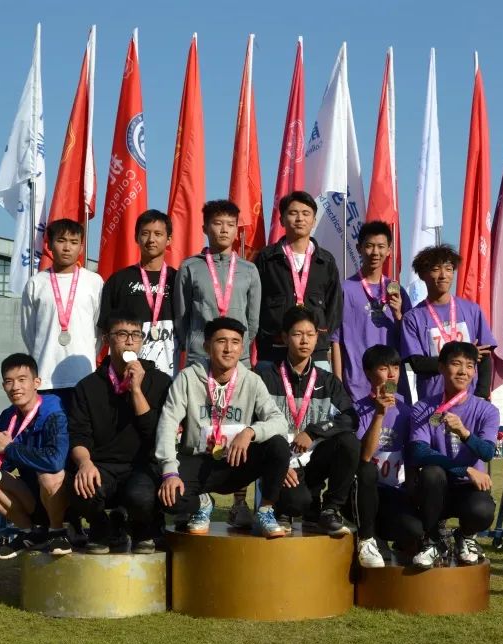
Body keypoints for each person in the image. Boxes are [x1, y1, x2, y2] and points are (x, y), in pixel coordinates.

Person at [155, 317, 298, 538]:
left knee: (278, 444)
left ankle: (265, 510)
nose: (228, 349)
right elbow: (168, 423)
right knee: (168, 497)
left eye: (235, 342)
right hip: (200, 461)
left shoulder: (251, 380)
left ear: (242, 348)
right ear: (207, 346)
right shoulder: (187, 378)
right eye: (221, 341)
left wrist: (250, 432)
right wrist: (169, 471)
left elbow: (279, 421)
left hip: (237, 462)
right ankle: (203, 503)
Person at [175, 200, 262, 528]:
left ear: (236, 229)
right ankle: (200, 499)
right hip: (200, 361)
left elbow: (253, 321)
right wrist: (196, 349)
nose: (223, 229)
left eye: (229, 224)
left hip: (238, 363)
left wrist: (237, 352)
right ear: (205, 227)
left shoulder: (249, 270)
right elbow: (182, 318)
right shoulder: (190, 267)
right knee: (198, 428)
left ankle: (240, 503)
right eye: (217, 223)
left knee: (239, 428)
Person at [66, 312, 172, 554]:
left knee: (141, 497)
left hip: (142, 466)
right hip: (101, 465)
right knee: (81, 486)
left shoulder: (160, 382)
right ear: (107, 339)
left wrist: (136, 390)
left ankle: (141, 527)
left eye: (136, 335)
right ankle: (101, 526)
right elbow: (79, 435)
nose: (129, 341)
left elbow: (156, 434)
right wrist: (84, 464)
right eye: (122, 334)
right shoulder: (88, 386)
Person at [256, 306, 359, 537]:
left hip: (314, 460)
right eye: (297, 334)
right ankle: (284, 508)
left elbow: (350, 418)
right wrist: (277, 463)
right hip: (280, 462)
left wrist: (314, 432)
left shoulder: (328, 381)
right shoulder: (265, 377)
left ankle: (330, 510)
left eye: (310, 334)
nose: (305, 340)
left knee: (349, 442)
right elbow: (253, 424)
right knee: (296, 503)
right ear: (284, 337)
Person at [405, 341, 499, 569]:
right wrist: (464, 469)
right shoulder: (423, 408)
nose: (463, 371)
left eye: (469, 366)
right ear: (441, 367)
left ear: (474, 372)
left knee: (483, 511)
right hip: (436, 490)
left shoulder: (486, 410)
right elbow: (418, 452)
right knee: (431, 473)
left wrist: (464, 433)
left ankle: (465, 536)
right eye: (456, 364)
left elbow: (487, 452)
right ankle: (432, 541)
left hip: (468, 488)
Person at [0, 353, 71, 559]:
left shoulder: (54, 412)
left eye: (22, 380)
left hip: (62, 496)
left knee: (49, 475)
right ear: (3, 386)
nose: (15, 387)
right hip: (31, 495)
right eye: (9, 381)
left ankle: (58, 532)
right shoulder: (8, 415)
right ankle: (30, 533)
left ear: (36, 382)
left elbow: (55, 461)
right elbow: (3, 460)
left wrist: (10, 448)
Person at [253, 191, 342, 372]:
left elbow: (334, 306)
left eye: (306, 213)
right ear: (282, 220)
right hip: (273, 350)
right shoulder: (267, 258)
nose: (300, 218)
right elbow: (254, 303)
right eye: (293, 213)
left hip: (315, 352)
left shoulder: (326, 261)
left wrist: (320, 334)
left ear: (314, 221)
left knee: (317, 391)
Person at [21, 218, 104, 408]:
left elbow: (99, 330)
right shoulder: (36, 283)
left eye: (74, 242)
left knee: (80, 426)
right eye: (61, 241)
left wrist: (88, 351)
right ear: (49, 245)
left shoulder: (94, 282)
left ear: (81, 248)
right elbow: (28, 332)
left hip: (83, 376)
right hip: (45, 377)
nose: (67, 248)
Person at [401, 245, 496, 403]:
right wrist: (466, 355)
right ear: (423, 275)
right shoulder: (412, 318)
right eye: (436, 269)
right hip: (432, 402)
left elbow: (485, 355)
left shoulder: (472, 310)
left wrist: (481, 395)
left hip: (469, 400)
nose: (443, 275)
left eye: (449, 269)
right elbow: (418, 363)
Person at [331, 220, 412, 403]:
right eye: (369, 246)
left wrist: (398, 315)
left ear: (389, 250)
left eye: (381, 246)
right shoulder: (345, 289)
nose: (375, 252)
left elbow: (410, 339)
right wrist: (338, 383)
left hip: (392, 383)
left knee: (392, 420)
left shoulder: (397, 290)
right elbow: (336, 341)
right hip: (357, 385)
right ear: (359, 248)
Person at [350, 344, 412, 568]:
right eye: (384, 368)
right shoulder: (357, 409)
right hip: (365, 493)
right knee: (367, 470)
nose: (392, 374)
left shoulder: (407, 410)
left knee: (413, 529)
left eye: (396, 367)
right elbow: (365, 457)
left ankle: (392, 540)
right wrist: (379, 414)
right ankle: (368, 538)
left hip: (395, 491)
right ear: (368, 373)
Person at [98, 209, 178, 377]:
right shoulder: (118, 280)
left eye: (158, 234)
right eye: (145, 233)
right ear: (136, 237)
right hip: (127, 372)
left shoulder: (178, 280)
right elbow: (104, 330)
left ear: (169, 239)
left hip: (171, 373)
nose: (151, 239)